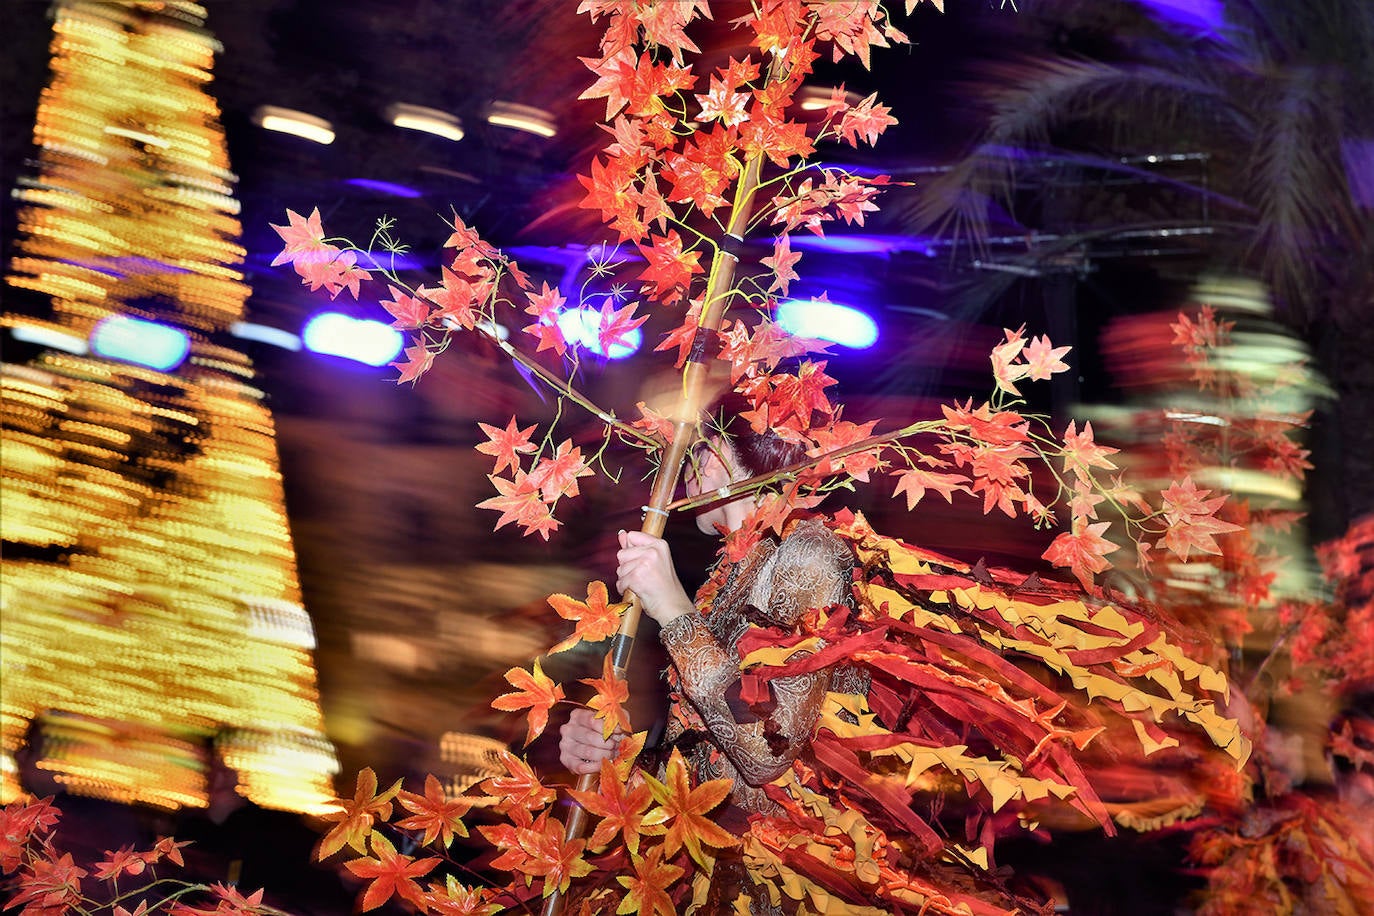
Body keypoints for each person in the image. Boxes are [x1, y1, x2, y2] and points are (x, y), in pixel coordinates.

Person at [557, 402, 860, 913]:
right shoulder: (731, 570)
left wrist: (673, 610)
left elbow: (767, 754)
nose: (675, 481)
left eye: (684, 458)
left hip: (787, 886)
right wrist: (614, 754)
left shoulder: (809, 552)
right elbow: (706, 752)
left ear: (714, 455)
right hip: (714, 878)